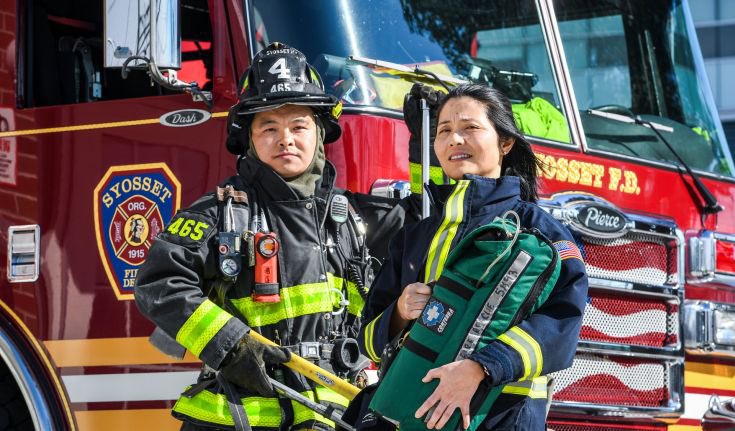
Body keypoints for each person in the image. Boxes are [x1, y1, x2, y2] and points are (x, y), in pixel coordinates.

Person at [135, 42, 371, 431]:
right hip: (237, 417)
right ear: (249, 138)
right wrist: (231, 345)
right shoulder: (221, 213)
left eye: (299, 126)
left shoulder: (345, 219)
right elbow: (159, 284)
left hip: (329, 415)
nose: (286, 139)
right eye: (269, 128)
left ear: (319, 132)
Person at [355, 84, 589, 430]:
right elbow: (368, 342)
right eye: (444, 131)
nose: (455, 139)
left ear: (505, 143)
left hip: (500, 418)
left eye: (470, 128)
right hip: (409, 418)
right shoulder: (413, 237)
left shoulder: (540, 232)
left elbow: (562, 323)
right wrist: (399, 313)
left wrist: (481, 368)